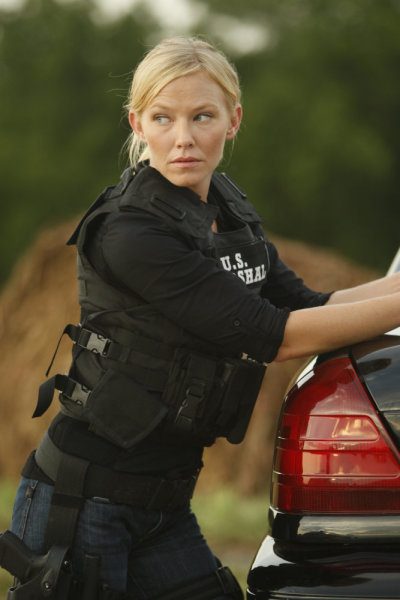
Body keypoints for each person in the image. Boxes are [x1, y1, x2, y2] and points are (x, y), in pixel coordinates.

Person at [6, 37, 400, 600]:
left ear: (233, 121)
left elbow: (306, 305)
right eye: (163, 118)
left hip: (163, 506)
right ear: (138, 124)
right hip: (86, 500)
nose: (183, 138)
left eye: (202, 116)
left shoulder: (227, 209)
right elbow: (274, 335)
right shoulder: (131, 233)